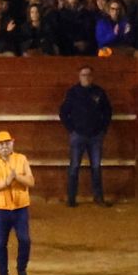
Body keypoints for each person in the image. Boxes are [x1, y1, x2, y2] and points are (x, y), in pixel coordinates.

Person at [0, 130, 34, 275]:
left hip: (20, 207)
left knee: (25, 240)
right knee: (0, 243)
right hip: (1, 209)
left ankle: (21, 271)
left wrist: (17, 177)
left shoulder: (21, 159)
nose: (4, 147)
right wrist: (6, 182)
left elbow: (31, 181)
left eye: (7, 143)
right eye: (1, 144)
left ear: (12, 144)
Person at [58, 64, 111, 207]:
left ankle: (98, 197)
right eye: (83, 75)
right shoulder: (73, 92)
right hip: (79, 135)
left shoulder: (99, 92)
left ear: (92, 77)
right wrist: (71, 129)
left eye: (88, 75)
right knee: (75, 166)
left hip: (95, 136)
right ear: (79, 77)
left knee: (95, 167)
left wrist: (102, 130)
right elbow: (63, 112)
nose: (86, 78)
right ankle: (71, 198)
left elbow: (107, 112)